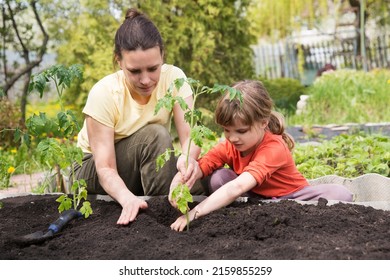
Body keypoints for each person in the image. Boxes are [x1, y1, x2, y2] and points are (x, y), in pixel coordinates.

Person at [73, 8, 201, 225]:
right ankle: (162, 217)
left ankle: (160, 206)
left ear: (162, 55)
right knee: (155, 136)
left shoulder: (175, 78)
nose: (146, 80)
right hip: (93, 171)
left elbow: (191, 138)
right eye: (135, 71)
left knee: (198, 181)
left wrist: (188, 161)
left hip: (138, 163)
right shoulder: (104, 93)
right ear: (119, 61)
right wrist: (126, 199)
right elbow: (105, 168)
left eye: (153, 68)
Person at [169, 80, 353, 232]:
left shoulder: (274, 147)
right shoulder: (230, 145)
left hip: (290, 197)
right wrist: (178, 182)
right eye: (226, 130)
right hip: (252, 196)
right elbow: (201, 166)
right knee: (219, 178)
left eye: (241, 131)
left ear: (263, 122)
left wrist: (196, 212)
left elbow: (238, 186)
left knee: (341, 194)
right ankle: (250, 207)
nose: (233, 138)